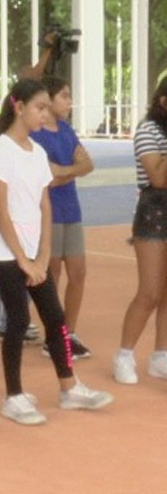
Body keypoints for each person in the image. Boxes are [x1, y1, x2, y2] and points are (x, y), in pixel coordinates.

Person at [0, 79, 113, 425]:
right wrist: (23, 259)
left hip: (32, 254)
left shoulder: (37, 153)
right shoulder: (1, 150)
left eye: (46, 107)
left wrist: (41, 256)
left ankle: (69, 387)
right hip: (5, 252)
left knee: (55, 319)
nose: (45, 114)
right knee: (19, 319)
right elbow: (0, 211)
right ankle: (14, 396)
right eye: (39, 107)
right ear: (19, 106)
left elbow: (44, 207)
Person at [31, 76, 93, 360]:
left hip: (71, 209)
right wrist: (73, 168)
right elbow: (47, 178)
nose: (69, 102)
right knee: (52, 274)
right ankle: (53, 335)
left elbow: (87, 164)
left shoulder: (67, 130)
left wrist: (64, 169)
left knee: (78, 272)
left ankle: (71, 331)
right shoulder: (37, 135)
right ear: (50, 100)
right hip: (49, 212)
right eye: (64, 96)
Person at [114, 76, 167, 384]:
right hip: (154, 212)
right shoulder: (147, 130)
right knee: (148, 292)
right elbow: (158, 177)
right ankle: (124, 354)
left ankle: (161, 355)